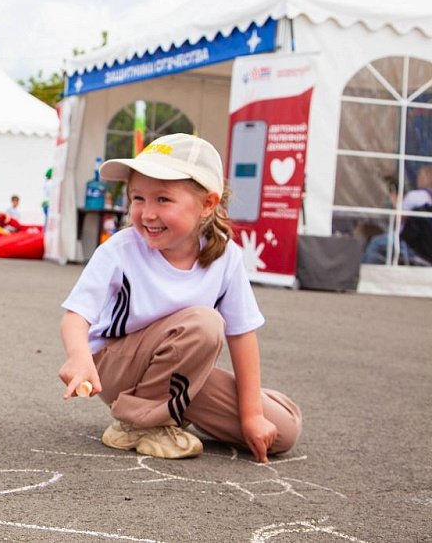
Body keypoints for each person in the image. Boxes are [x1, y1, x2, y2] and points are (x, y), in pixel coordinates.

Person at [58, 133, 301, 463]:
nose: (147, 213)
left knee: (281, 429)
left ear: (207, 204)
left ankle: (169, 410)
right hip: (116, 369)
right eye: (138, 198)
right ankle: (139, 423)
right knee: (204, 323)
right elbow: (76, 315)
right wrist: (78, 356)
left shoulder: (226, 256)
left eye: (162, 200)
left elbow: (243, 335)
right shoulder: (120, 250)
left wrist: (251, 414)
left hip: (178, 369)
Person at [363, 165, 432, 265]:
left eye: (419, 177)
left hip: (408, 241)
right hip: (426, 244)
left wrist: (396, 203)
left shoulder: (415, 196)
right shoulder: (427, 198)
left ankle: (363, 274)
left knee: (375, 243)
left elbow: (400, 218)